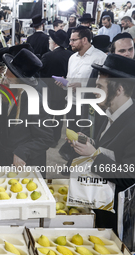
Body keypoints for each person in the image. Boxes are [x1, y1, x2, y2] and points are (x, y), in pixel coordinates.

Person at [70, 54, 135, 233]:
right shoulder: (108, 114)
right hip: (101, 204)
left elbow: (128, 176)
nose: (94, 92)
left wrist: (93, 154)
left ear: (119, 89)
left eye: (99, 87)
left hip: (119, 219)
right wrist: (89, 144)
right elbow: (110, 148)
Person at [0, 49, 54, 168]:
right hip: (6, 159)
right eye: (5, 76)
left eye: (10, 79)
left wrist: (23, 151)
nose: (5, 81)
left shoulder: (35, 101)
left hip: (26, 163)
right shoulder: (8, 94)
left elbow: (46, 138)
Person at [57, 26, 107, 160]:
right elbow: (70, 80)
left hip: (87, 106)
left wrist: (83, 86)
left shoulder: (100, 58)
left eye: (74, 40)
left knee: (84, 137)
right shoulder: (72, 58)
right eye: (70, 40)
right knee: (71, 135)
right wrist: (64, 83)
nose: (70, 43)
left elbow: (102, 86)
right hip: (71, 103)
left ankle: (80, 164)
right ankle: (71, 162)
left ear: (84, 40)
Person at [40, 29, 74, 148]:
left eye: (50, 39)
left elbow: (40, 74)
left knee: (47, 117)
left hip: (48, 92)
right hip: (63, 92)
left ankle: (47, 138)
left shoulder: (47, 56)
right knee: (59, 116)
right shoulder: (70, 55)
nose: (49, 41)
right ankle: (55, 139)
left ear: (54, 43)